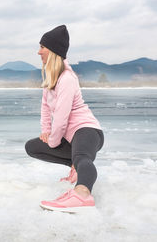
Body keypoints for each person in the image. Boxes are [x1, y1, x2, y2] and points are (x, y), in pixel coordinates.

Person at [25, 25, 104, 213]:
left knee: (82, 158)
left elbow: (61, 117)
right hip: (69, 136)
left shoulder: (67, 78)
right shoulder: (50, 78)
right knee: (32, 146)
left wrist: (53, 139)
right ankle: (75, 167)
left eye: (42, 47)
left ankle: (82, 194)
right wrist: (46, 131)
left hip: (87, 130)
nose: (39, 51)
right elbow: (45, 107)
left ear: (52, 51)